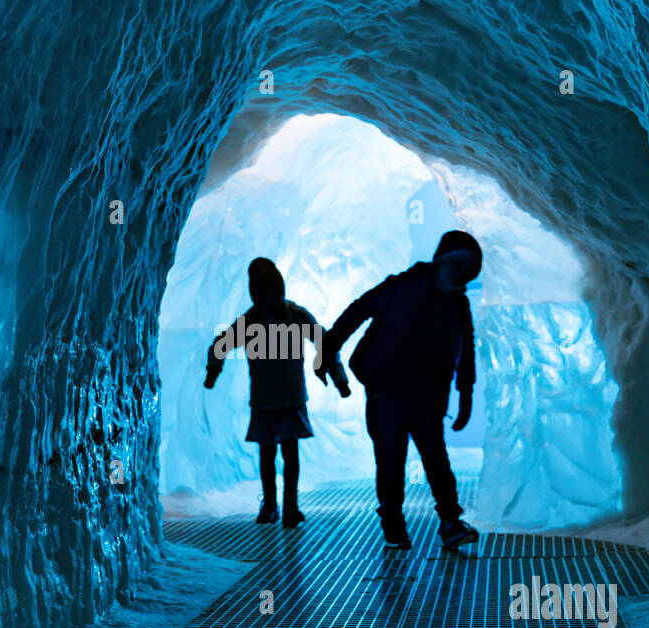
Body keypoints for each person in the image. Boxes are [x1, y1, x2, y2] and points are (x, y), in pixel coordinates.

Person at [316, 230, 482, 551]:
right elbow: (358, 311)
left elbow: (467, 349)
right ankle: (393, 521)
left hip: (427, 394)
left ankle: (450, 522)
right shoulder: (403, 286)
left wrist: (466, 394)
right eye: (458, 265)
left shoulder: (458, 304)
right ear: (441, 263)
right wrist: (327, 351)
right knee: (391, 458)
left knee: (435, 459)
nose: (462, 274)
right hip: (387, 388)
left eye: (469, 268)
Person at [205, 257, 350, 527]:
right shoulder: (289, 315)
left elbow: (220, 346)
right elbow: (325, 342)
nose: (268, 297)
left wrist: (213, 372)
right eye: (263, 291)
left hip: (275, 398)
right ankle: (281, 506)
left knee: (274, 453)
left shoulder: (256, 319)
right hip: (280, 397)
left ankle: (279, 506)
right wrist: (339, 377)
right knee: (279, 454)